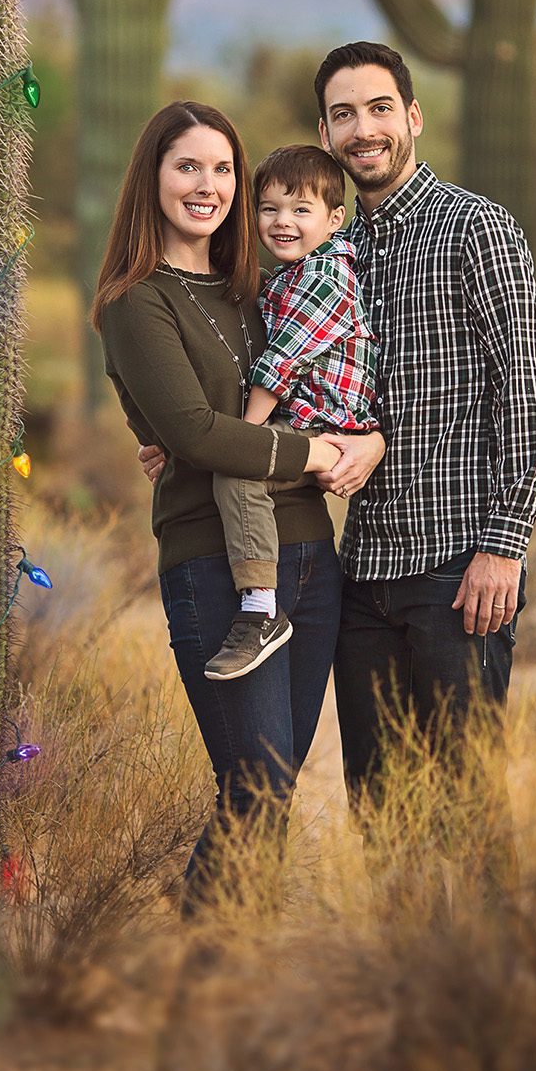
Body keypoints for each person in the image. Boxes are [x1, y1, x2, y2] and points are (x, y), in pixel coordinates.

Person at [136, 42, 536, 839]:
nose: (364, 129)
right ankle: (397, 964)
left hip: (457, 568)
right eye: (343, 115)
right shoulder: (318, 249)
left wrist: (505, 545)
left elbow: (525, 394)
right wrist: (173, 436)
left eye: (379, 109)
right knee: (382, 814)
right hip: (359, 572)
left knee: (467, 811)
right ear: (325, 134)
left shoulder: (478, 230)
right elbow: (251, 372)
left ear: (413, 117)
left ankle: (483, 966)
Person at [93, 101, 381, 913]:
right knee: (253, 784)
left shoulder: (259, 286)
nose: (208, 185)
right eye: (188, 166)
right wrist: (312, 454)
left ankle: (234, 969)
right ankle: (203, 962)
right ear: (153, 176)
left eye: (223, 169)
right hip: (216, 567)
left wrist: (368, 442)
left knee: (276, 787)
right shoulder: (137, 301)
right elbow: (193, 432)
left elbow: (316, 383)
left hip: (309, 561)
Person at [202, 143, 381, 682]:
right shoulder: (287, 274)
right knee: (236, 463)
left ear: (334, 219)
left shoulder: (323, 278)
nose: (283, 222)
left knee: (238, 473)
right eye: (270, 208)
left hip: (324, 422)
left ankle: (260, 607)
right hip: (302, 418)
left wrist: (239, 439)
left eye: (301, 210)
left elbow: (278, 366)